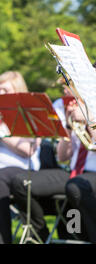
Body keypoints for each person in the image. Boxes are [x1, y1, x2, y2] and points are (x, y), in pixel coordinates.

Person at [11, 60, 96, 244]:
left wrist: (89, 118)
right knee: (22, 182)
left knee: (76, 186)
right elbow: (62, 157)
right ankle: (40, 238)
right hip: (77, 174)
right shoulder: (82, 105)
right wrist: (68, 126)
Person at [0, 71, 41, 244]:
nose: (0, 94)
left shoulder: (29, 114)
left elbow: (27, 150)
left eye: (5, 90)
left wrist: (1, 130)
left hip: (23, 168)